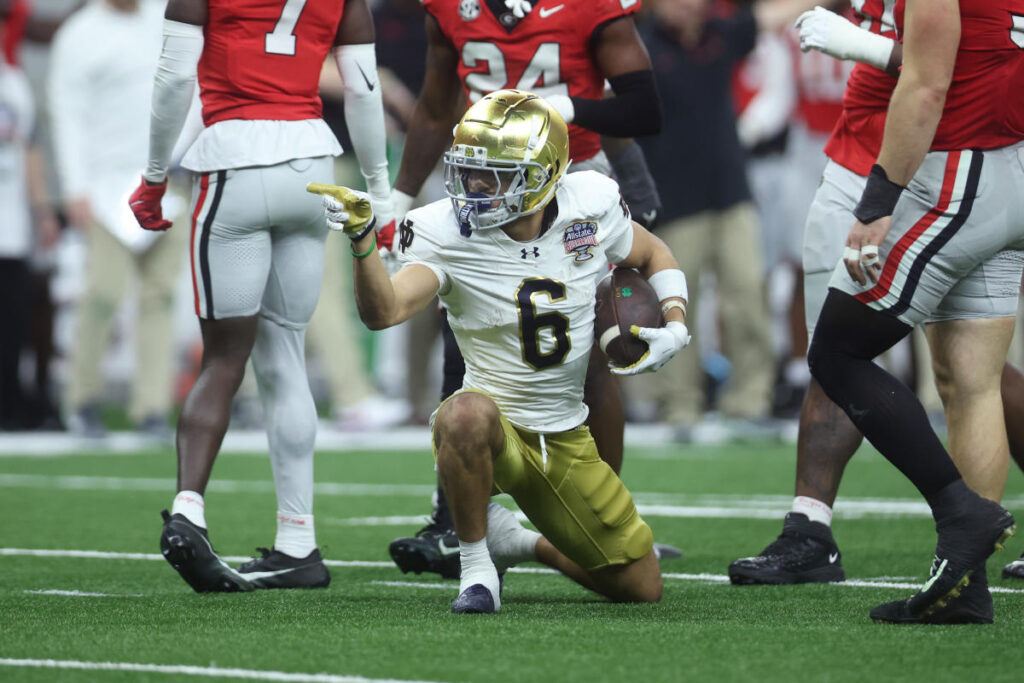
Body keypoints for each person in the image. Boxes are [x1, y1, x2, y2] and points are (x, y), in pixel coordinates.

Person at [310, 90, 690, 613]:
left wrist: (675, 324)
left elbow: (652, 252)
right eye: (469, 171)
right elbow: (385, 311)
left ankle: (516, 542)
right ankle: (476, 569)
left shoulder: (589, 203)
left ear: (544, 173)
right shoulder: (445, 230)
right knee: (464, 412)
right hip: (493, 430)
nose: (477, 186)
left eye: (496, 174)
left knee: (640, 587)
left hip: (563, 432)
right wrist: (362, 242)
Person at [730, 0, 1024, 613]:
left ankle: (961, 515)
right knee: (972, 381)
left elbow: (931, 77)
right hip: (993, 161)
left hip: (950, 166)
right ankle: (967, 588)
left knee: (836, 349)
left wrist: (876, 204)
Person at [384, 0, 673, 579]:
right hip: (483, 185)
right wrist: (399, 196)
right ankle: (461, 521)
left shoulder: (592, 9)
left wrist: (567, 107)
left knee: (587, 354)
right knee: (465, 342)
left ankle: (599, 509)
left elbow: (644, 107)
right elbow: (439, 105)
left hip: (568, 182)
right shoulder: (450, 9)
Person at [130, 0, 392, 592]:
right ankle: (298, 542)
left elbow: (174, 76)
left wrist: (152, 177)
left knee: (225, 357)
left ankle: (189, 510)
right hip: (312, 166)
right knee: (286, 353)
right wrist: (379, 189)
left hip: (235, 159)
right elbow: (364, 88)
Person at [631, 0, 775, 440]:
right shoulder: (638, 47)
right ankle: (681, 407)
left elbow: (776, 15)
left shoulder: (720, 35)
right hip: (674, 200)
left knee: (748, 294)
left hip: (731, 191)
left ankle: (751, 401)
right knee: (676, 308)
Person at [48, 0, 187, 439]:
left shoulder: (165, 15)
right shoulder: (80, 34)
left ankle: (151, 406)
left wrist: (189, 157)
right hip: (108, 188)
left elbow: (192, 88)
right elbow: (67, 114)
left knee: (161, 297)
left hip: (167, 182)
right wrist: (76, 186)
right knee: (103, 293)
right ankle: (82, 400)